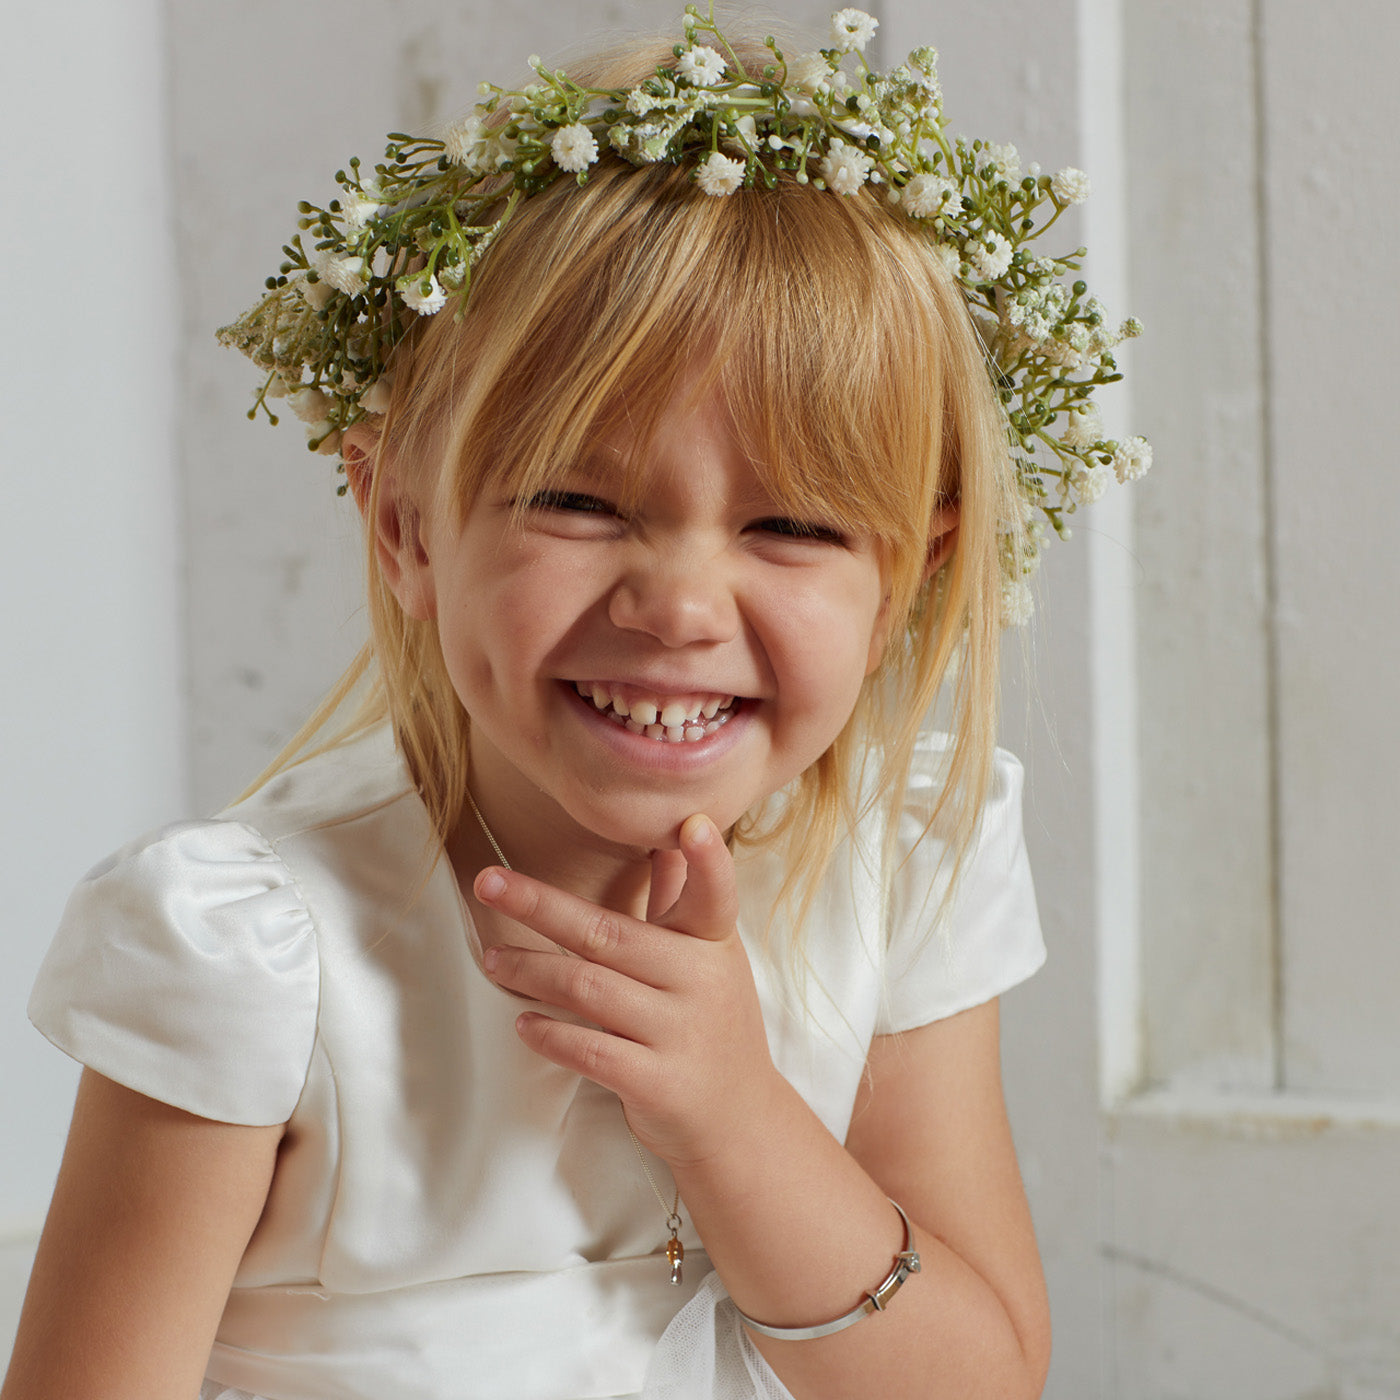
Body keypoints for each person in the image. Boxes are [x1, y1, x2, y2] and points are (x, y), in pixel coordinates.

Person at [4, 8, 1149, 1399]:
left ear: (912, 574)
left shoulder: (900, 865)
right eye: (577, 500)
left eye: (791, 525)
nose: (679, 604)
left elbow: (976, 1382)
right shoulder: (254, 957)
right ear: (406, 527)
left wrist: (735, 1119)